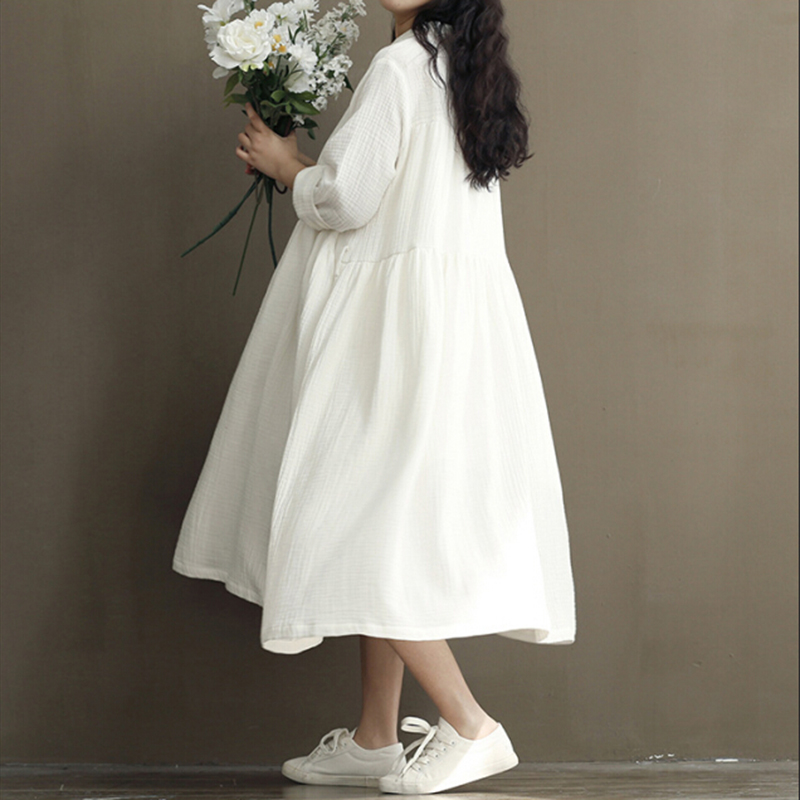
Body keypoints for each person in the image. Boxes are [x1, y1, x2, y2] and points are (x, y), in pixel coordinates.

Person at [173, 0, 576, 793]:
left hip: (388, 335)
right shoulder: (458, 66)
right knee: (387, 527)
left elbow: (347, 200)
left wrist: (287, 166)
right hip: (446, 331)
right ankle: (374, 736)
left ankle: (471, 725)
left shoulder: (398, 68)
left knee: (350, 516)